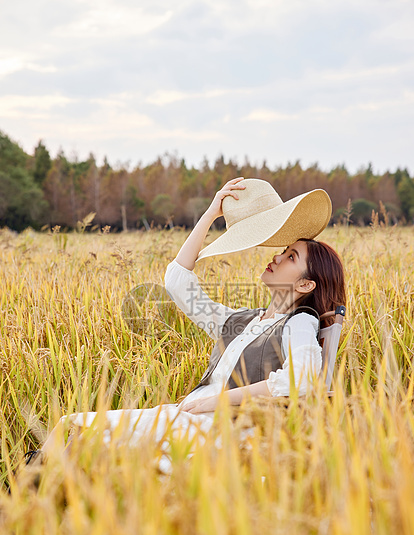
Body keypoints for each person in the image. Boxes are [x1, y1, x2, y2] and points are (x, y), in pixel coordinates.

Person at [26, 178, 346, 473]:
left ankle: (30, 498)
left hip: (224, 427)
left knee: (86, 436)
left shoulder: (301, 321)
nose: (277, 258)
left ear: (305, 286)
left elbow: (301, 379)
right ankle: (36, 494)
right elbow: (178, 282)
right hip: (192, 415)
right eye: (283, 251)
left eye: (290, 257)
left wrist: (216, 400)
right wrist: (210, 215)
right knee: (73, 427)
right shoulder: (240, 320)